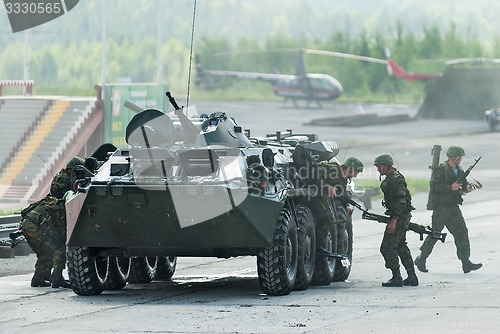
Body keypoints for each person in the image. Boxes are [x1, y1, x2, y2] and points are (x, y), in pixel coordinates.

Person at [415, 146, 482, 274]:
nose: (460, 159)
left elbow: (462, 185)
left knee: (462, 232)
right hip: (441, 208)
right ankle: (421, 258)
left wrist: (467, 187)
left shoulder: (460, 170)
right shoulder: (441, 169)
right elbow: (434, 186)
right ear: (454, 157)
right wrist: (450, 187)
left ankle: (465, 262)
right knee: (435, 234)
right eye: (459, 157)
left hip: (452, 207)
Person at [373, 154, 418, 287]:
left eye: (378, 166)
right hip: (400, 216)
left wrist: (394, 221)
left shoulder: (395, 179)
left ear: (385, 165)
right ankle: (412, 276)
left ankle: (396, 277)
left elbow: (401, 200)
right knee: (400, 246)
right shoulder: (392, 177)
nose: (377, 169)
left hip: (399, 217)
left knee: (386, 248)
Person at [20, 195, 70, 288]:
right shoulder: (62, 208)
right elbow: (61, 229)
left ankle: (38, 278)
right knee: (59, 249)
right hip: (35, 227)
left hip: (26, 224)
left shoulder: (49, 201)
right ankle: (57, 278)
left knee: (44, 252)